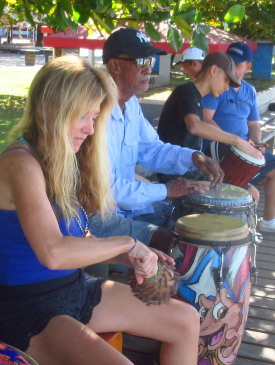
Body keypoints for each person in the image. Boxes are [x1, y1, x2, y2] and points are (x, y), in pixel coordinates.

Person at [0, 55, 228, 365]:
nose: (91, 128)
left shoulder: (63, 160)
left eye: (96, 117)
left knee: (183, 320)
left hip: (73, 292)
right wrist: (129, 245)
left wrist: (132, 260)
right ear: (52, 106)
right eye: (85, 116)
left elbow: (80, 238)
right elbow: (53, 252)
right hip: (28, 313)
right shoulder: (20, 163)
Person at [89, 28, 224, 245]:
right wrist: (166, 190)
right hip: (99, 217)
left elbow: (153, 150)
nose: (148, 69)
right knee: (176, 241)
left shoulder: (130, 105)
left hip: (129, 209)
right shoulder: (95, 113)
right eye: (141, 61)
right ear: (114, 65)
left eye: (150, 62)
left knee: (195, 219)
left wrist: (194, 157)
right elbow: (106, 189)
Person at [204, 42, 275, 235]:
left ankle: (269, 220)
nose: (232, 67)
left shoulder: (249, 91)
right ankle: (240, 229)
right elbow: (206, 119)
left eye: (237, 64)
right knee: (250, 192)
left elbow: (253, 124)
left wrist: (256, 143)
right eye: (229, 61)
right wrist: (233, 140)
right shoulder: (218, 85)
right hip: (219, 145)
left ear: (248, 66)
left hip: (245, 145)